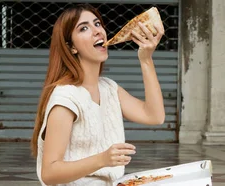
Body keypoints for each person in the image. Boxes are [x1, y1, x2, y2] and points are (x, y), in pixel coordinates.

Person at [30, 4, 166, 186]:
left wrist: (146, 59)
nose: (97, 31)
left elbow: (155, 116)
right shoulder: (66, 98)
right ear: (71, 48)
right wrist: (102, 159)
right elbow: (49, 173)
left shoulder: (109, 88)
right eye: (84, 28)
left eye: (97, 24)